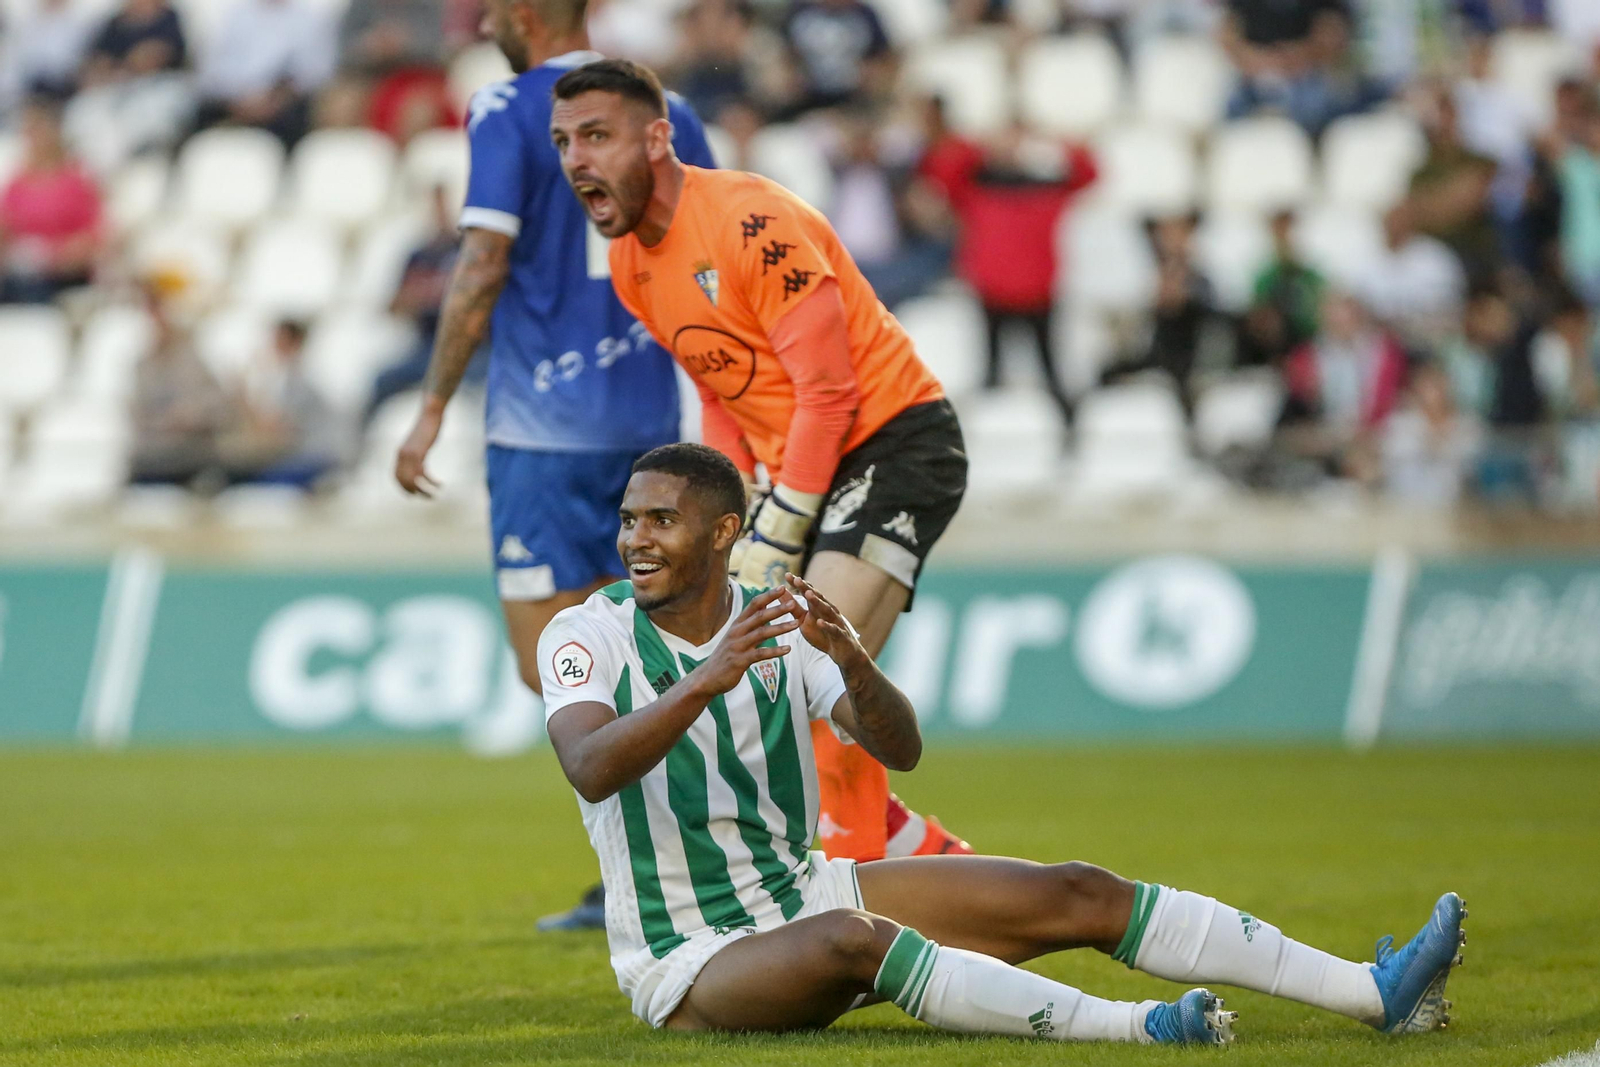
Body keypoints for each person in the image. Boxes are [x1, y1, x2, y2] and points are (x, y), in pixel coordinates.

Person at [538, 441, 1468, 1040]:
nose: (636, 539)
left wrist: (854, 660)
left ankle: (1374, 991)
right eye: (630, 519)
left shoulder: (777, 622)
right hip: (691, 954)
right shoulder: (588, 635)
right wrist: (708, 676)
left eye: (660, 519)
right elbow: (589, 766)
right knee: (851, 942)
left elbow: (897, 748)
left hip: (805, 889)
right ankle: (1139, 1028)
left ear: (725, 530)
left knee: (1075, 889)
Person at [554, 58, 971, 863]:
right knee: (788, 686)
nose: (577, 159)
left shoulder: (752, 222)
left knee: (817, 672)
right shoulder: (632, 264)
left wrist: (775, 533)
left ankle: (848, 882)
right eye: (565, 141)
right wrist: (728, 510)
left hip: (893, 440)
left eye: (597, 136)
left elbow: (829, 392)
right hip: (803, 469)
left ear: (659, 138)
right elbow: (721, 387)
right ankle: (934, 863)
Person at [392, 0, 716, 931]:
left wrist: (429, 406)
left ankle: (650, 872)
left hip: (540, 433)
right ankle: (688, 866)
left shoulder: (505, 107)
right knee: (657, 657)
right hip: (652, 431)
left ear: (524, 13)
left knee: (556, 668)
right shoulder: (671, 112)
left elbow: (485, 260)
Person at [0, 98, 102, 304]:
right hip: (21, 274)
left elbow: (94, 236)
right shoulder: (17, 183)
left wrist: (53, 257)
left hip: (63, 277)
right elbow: (5, 227)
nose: (32, 138)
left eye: (38, 130)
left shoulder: (76, 180)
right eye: (28, 131)